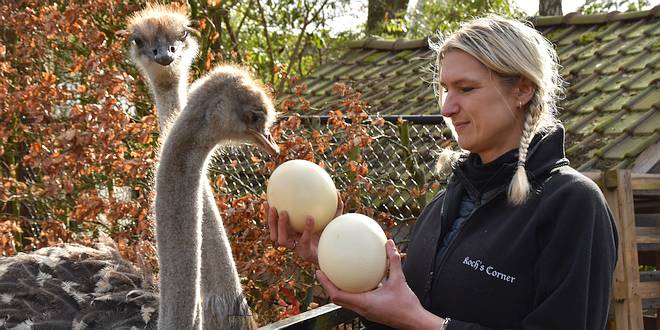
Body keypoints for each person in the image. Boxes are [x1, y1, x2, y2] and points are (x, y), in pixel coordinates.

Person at [266, 15, 618, 329]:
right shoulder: (446, 203)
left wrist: (426, 324)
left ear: (522, 89)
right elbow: (406, 316)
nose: (448, 107)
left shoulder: (572, 205)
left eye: (466, 89)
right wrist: (337, 257)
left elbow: (419, 320)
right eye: (445, 89)